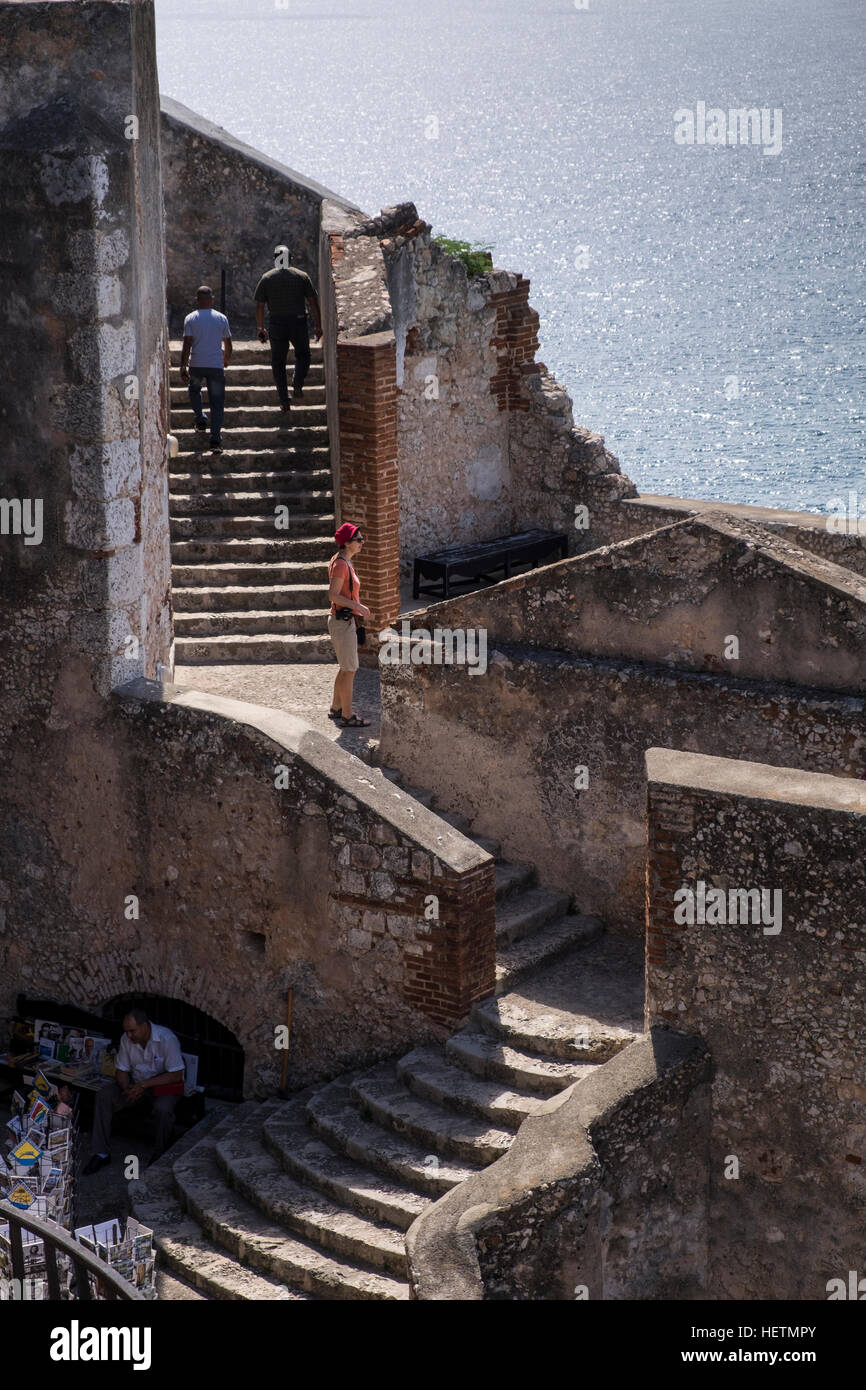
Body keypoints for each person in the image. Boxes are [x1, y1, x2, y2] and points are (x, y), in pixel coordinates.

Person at [83, 1008, 184, 1174]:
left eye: (132, 1031)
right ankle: (101, 1152)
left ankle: (160, 1153)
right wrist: (126, 1088)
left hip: (161, 1087)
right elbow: (121, 1070)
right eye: (126, 1031)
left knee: (163, 1109)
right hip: (136, 1085)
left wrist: (144, 1085)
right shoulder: (126, 1039)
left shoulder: (167, 1039)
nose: (129, 1035)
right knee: (104, 1095)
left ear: (145, 1026)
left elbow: (176, 1074)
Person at [254, 246, 323, 415]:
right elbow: (313, 302)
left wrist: (260, 327)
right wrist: (318, 325)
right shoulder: (301, 276)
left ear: (275, 258)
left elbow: (260, 305)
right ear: (291, 258)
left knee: (278, 363)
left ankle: (284, 401)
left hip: (277, 324)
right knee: (304, 355)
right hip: (298, 322)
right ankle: (298, 383)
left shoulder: (267, 278)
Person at [327, 522, 372, 728]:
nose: (362, 542)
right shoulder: (341, 565)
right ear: (346, 543)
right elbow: (333, 595)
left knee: (345, 668)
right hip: (342, 621)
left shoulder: (342, 561)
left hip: (343, 621)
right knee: (351, 669)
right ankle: (347, 715)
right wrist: (357, 606)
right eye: (358, 539)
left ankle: (336, 707)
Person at [179, 285, 232, 454]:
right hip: (215, 366)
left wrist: (183, 365)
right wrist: (226, 359)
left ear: (197, 300)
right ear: (212, 299)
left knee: (194, 390)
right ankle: (215, 440)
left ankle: (200, 419)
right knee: (217, 403)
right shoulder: (221, 318)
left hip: (196, 365)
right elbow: (228, 344)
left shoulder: (190, 318)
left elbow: (187, 343)